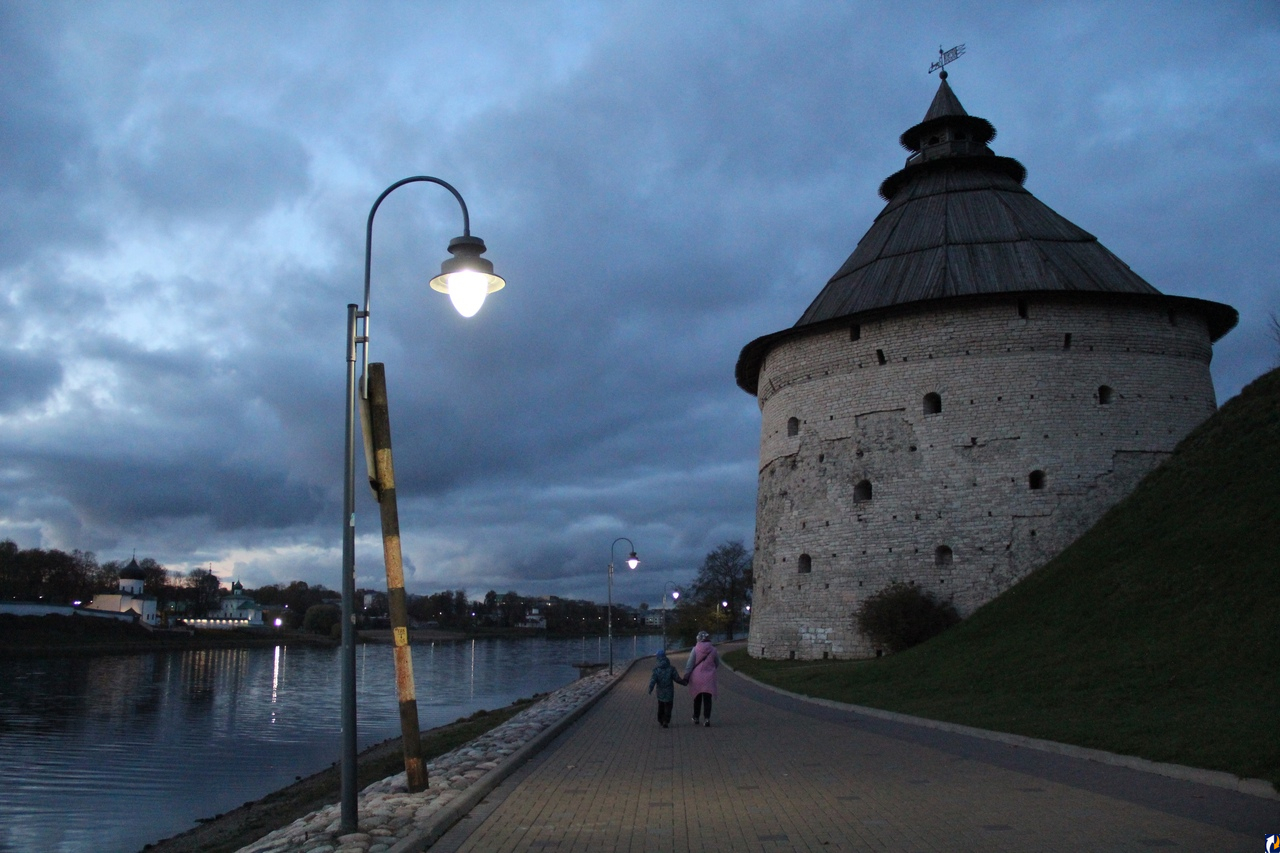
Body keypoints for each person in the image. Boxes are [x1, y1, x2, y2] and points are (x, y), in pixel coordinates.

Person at [684, 631, 719, 727]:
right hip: (709, 678)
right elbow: (717, 663)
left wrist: (686, 675)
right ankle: (707, 719)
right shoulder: (713, 650)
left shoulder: (695, 649)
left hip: (696, 678)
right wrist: (711, 669)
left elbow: (690, 664)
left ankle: (696, 717)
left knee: (697, 698)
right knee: (708, 699)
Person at [647, 650, 684, 728]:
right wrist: (684, 682)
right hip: (669, 691)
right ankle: (666, 721)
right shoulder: (671, 668)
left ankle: (660, 719)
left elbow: (653, 680)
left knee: (661, 705)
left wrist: (650, 688)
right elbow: (677, 678)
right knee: (668, 706)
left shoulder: (656, 669)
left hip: (660, 691)